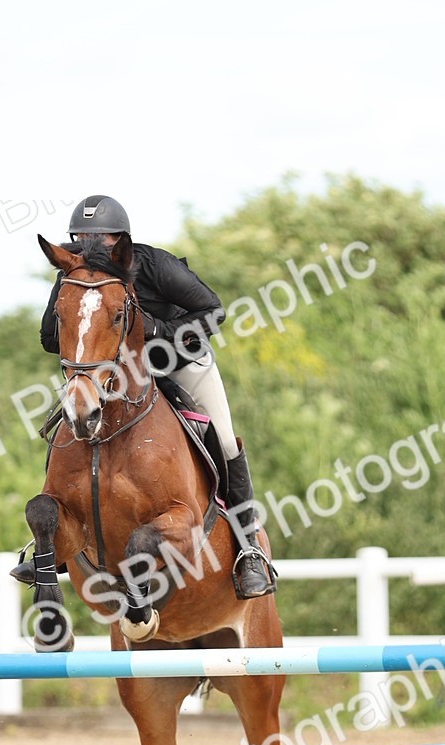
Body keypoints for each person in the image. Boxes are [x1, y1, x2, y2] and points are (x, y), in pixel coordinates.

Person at [14, 194, 275, 600]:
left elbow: (213, 311)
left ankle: (248, 550)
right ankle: (55, 545)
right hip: (108, 370)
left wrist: (153, 330)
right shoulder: (73, 275)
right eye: (80, 240)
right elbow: (51, 337)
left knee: (222, 439)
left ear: (120, 241)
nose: (88, 248)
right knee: (65, 433)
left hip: (179, 357)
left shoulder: (153, 264)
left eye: (98, 240)